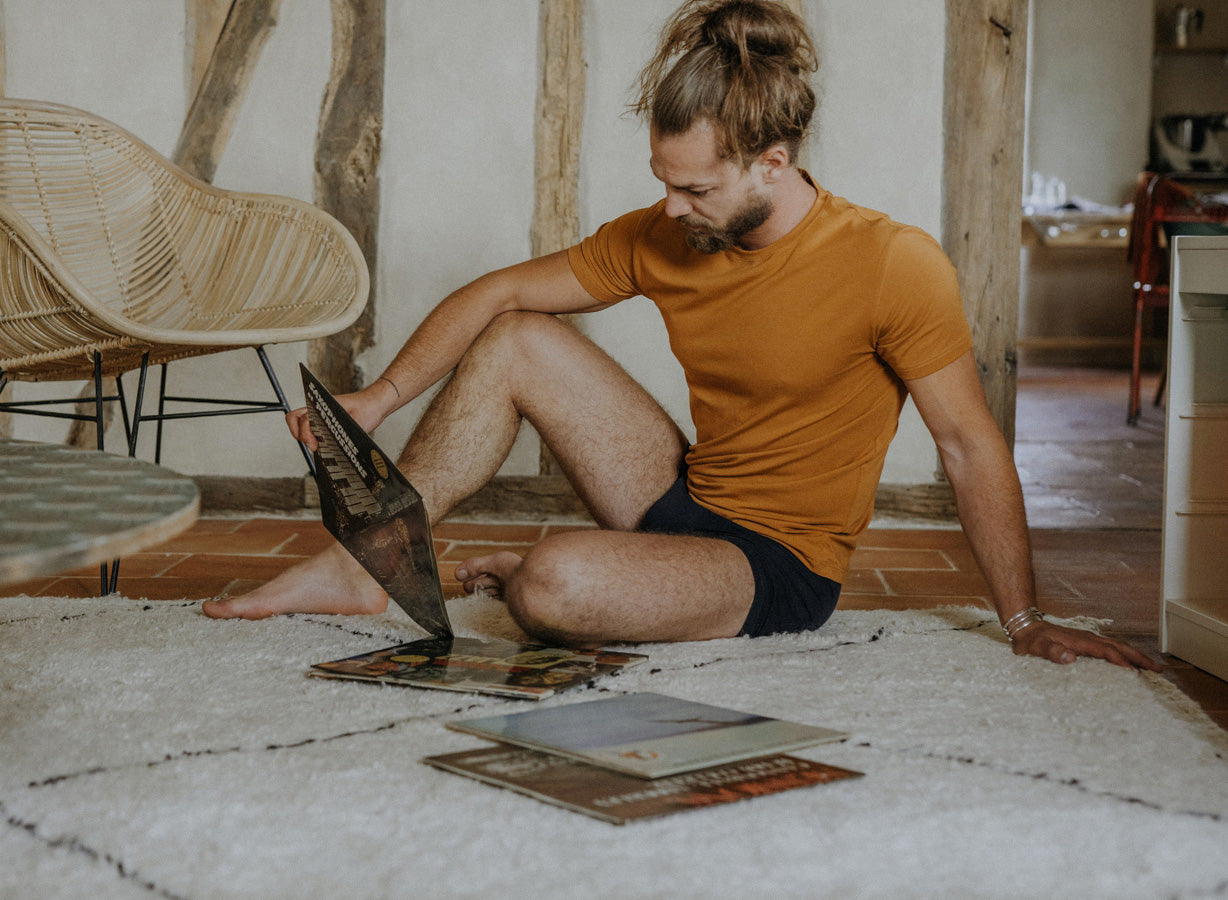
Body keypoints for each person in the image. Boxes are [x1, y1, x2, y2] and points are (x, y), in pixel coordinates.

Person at [204, 0, 1159, 671]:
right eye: (665, 179)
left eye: (695, 187)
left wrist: (1026, 617)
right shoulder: (669, 233)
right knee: (517, 336)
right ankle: (356, 565)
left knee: (551, 586)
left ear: (772, 164)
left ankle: (590, 576)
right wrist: (376, 398)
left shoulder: (891, 262)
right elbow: (497, 291)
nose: (671, 205)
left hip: (778, 566)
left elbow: (967, 442)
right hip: (684, 498)